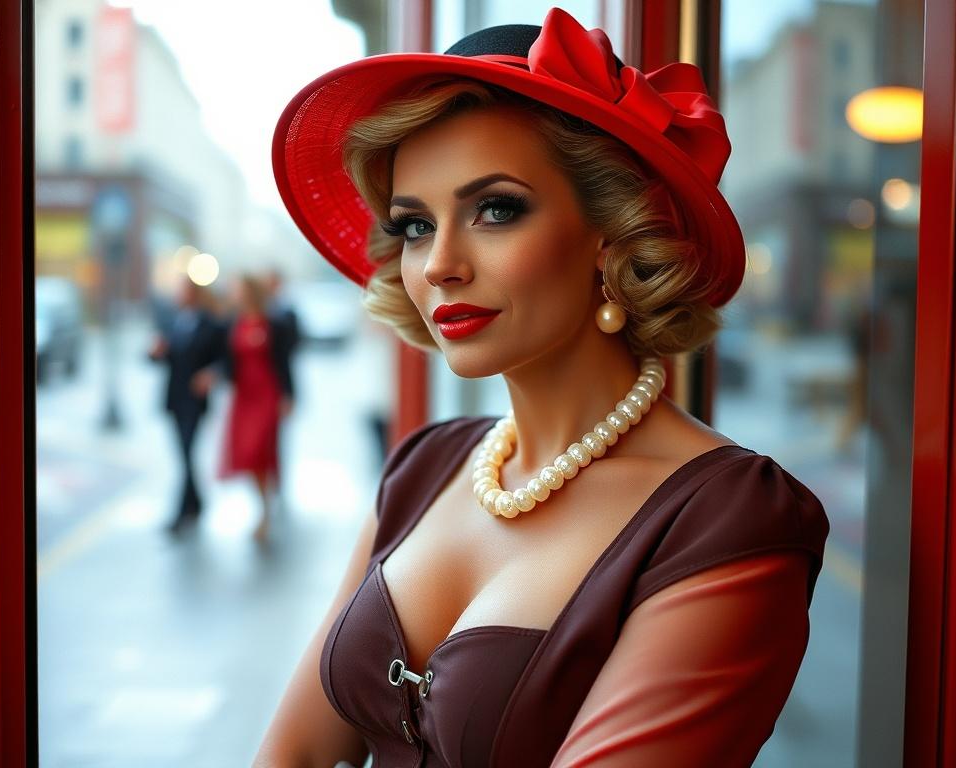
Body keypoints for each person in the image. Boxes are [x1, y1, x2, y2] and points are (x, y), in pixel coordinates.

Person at [255, 9, 830, 768]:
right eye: (415, 225)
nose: (438, 265)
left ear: (611, 232)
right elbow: (289, 752)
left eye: (496, 209)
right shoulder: (422, 468)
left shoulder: (727, 522)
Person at [218, 273, 295, 542]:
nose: (234, 294)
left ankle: (267, 507)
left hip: (267, 394)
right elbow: (224, 360)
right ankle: (261, 503)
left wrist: (288, 395)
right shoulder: (232, 323)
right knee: (248, 455)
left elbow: (284, 363)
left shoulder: (274, 324)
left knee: (261, 449)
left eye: (237, 289)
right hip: (243, 397)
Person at [148, 277, 224, 535]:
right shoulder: (173, 322)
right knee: (184, 455)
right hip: (175, 398)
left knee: (187, 454)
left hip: (195, 400)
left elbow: (223, 359)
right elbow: (161, 356)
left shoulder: (210, 324)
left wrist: (211, 374)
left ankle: (182, 512)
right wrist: (156, 352)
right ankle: (196, 504)